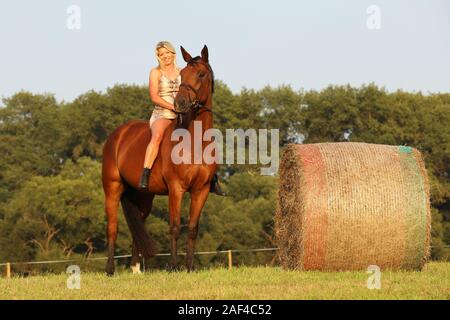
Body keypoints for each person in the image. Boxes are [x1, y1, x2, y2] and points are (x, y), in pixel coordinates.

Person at [139, 41, 225, 196]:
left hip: (183, 112)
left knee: (203, 138)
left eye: (167, 53)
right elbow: (154, 97)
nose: (165, 57)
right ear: (158, 57)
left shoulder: (183, 71)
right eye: (161, 54)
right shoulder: (155, 72)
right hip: (163, 113)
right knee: (157, 136)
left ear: (173, 54)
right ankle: (146, 172)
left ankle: (212, 178)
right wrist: (172, 107)